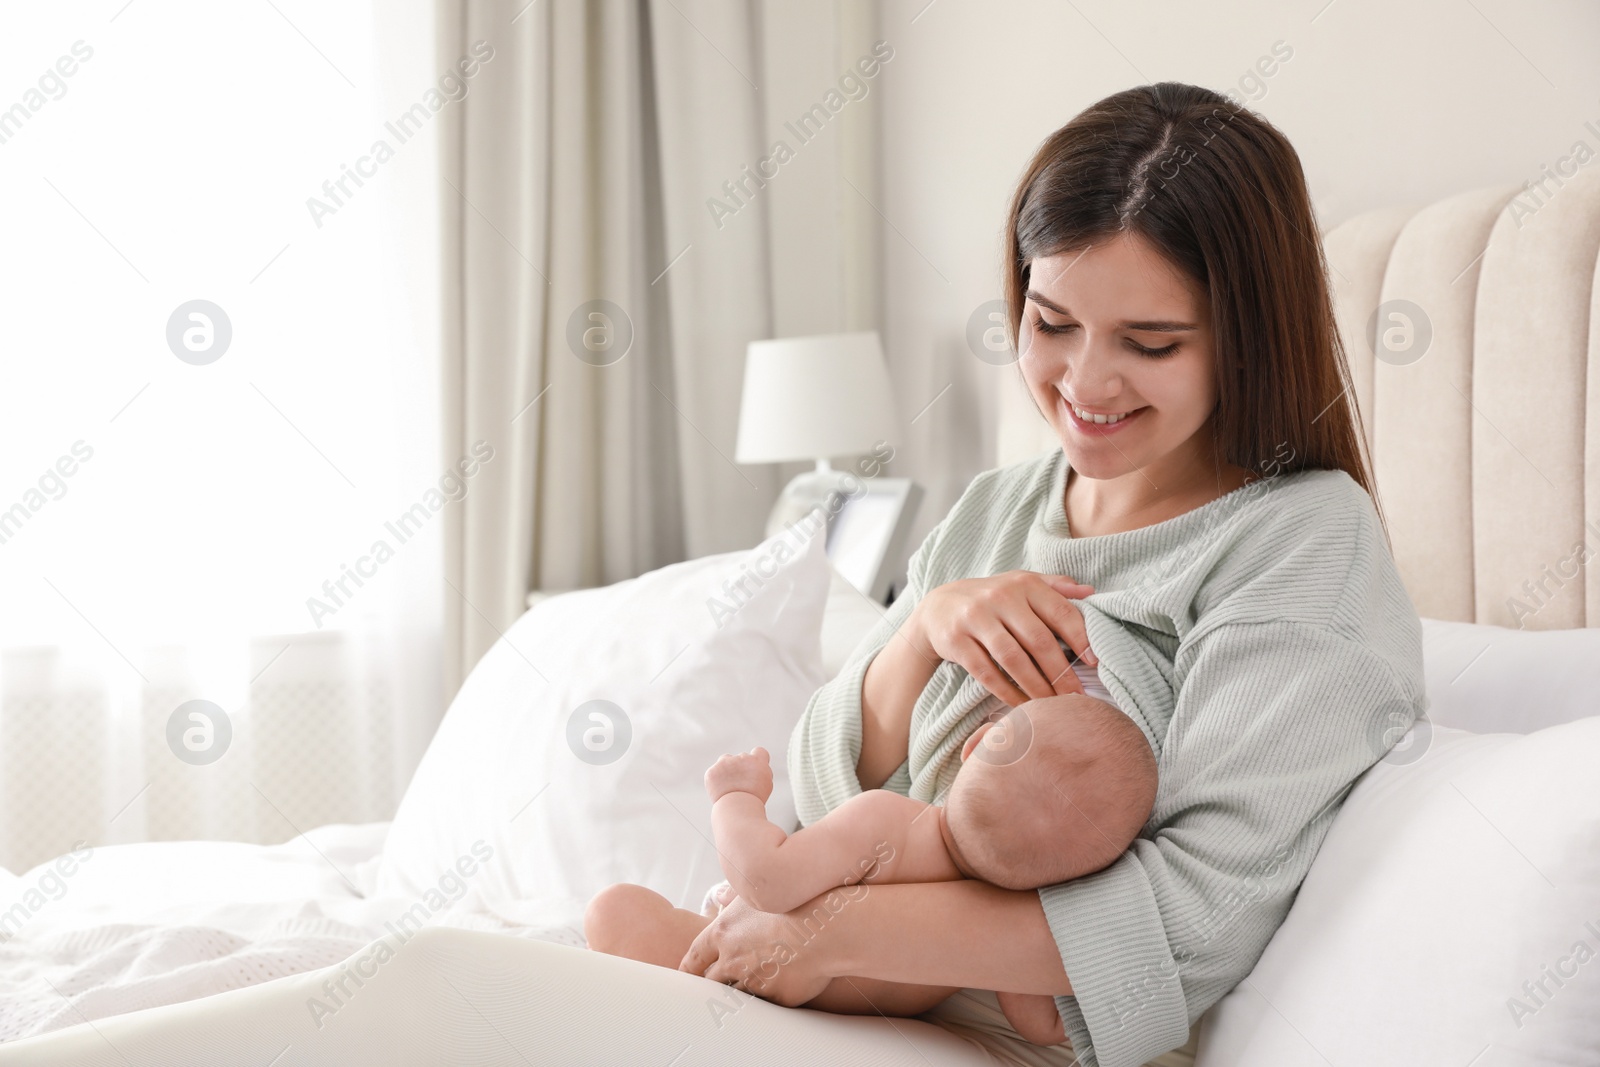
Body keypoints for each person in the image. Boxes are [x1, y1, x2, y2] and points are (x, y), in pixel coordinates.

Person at [0, 81, 1425, 1067]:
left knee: (435, 996)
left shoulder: (1297, 543)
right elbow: (817, 781)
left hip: (997, 1031)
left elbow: (1196, 914)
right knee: (428, 993)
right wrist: (922, 630)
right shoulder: (1001, 504)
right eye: (1051, 323)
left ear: (1248, 331)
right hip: (841, 984)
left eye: (1151, 344)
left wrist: (832, 938)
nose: (1084, 382)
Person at [584, 668, 1159, 1047]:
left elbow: (766, 881)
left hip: (745, 971)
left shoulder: (891, 823)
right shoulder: (1009, 921)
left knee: (615, 910)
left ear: (976, 743)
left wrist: (734, 798)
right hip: (836, 1027)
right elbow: (1040, 1026)